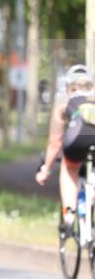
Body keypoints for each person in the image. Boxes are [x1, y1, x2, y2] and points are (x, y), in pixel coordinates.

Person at [36, 64, 95, 231]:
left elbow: (55, 143)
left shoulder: (63, 101)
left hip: (77, 139)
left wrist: (45, 169)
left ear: (69, 88)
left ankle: (69, 216)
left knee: (69, 167)